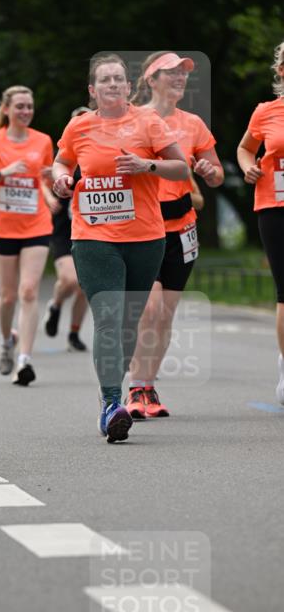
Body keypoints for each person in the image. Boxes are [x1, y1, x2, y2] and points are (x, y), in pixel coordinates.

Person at [52, 54, 188, 442]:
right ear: (93, 91)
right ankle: (112, 404)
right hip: (94, 237)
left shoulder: (148, 122)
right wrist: (62, 180)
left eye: (119, 79)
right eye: (105, 80)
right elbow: (61, 163)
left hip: (145, 237)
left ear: (129, 87)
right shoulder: (79, 126)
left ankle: (117, 388)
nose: (113, 84)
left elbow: (181, 168)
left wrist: (147, 166)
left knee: (130, 322)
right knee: (110, 316)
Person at [125, 51, 224, 418]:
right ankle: (135, 388)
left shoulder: (193, 124)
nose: (181, 79)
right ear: (151, 80)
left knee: (165, 315)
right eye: (171, 73)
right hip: (143, 226)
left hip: (181, 227)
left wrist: (207, 170)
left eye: (184, 74)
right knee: (147, 308)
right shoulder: (134, 121)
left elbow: (214, 174)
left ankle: (148, 388)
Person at [0, 85, 57, 385]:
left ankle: (24, 360)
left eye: (29, 106)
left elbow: (42, 178)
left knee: (29, 291)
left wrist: (49, 194)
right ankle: (7, 341)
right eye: (19, 106)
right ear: (6, 109)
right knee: (7, 296)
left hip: (36, 224)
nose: (25, 111)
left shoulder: (43, 141)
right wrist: (4, 174)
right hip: (2, 226)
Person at [237, 40, 284, 405]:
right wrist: (247, 168)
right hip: (275, 206)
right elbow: (244, 148)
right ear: (281, 71)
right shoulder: (266, 112)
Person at [44, 106, 91, 351]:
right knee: (69, 279)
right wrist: (49, 196)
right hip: (65, 228)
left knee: (85, 284)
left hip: (93, 229)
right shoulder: (62, 158)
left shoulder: (98, 156)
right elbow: (39, 179)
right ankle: (55, 305)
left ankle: (74, 333)